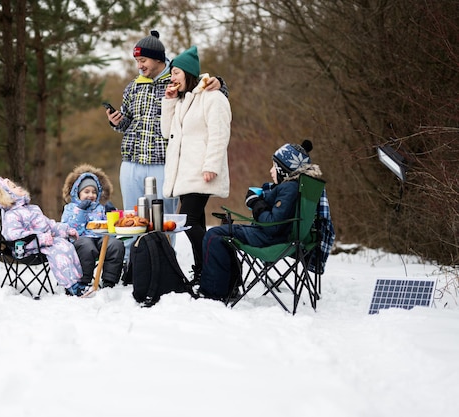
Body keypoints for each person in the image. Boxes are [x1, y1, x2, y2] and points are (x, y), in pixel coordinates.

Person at [105, 30, 228, 218]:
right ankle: (133, 249)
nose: (139, 65)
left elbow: (202, 89)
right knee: (132, 218)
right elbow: (128, 121)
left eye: (143, 60)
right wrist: (118, 122)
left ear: (157, 59)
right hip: (132, 161)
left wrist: (220, 83)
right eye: (137, 61)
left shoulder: (177, 81)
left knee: (164, 220)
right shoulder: (133, 86)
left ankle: (166, 248)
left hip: (162, 162)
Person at [199, 140, 336, 300]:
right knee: (224, 236)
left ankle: (214, 292)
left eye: (274, 166)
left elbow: (272, 224)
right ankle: (229, 286)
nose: (271, 171)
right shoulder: (298, 187)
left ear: (284, 169)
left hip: (270, 239)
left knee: (214, 236)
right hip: (283, 237)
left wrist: (255, 203)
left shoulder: (288, 189)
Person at [161, 45, 232, 284]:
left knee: (189, 222)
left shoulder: (213, 98)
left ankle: (216, 269)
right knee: (195, 222)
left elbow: (219, 134)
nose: (172, 77)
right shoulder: (183, 101)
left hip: (202, 172)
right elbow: (166, 132)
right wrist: (169, 102)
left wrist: (212, 164)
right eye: (172, 73)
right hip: (185, 174)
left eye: (176, 73)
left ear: (189, 73)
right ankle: (203, 272)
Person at [0, 176, 87, 296]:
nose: (19, 187)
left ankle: (78, 282)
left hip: (45, 244)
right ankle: (72, 287)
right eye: (14, 187)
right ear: (7, 195)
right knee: (59, 251)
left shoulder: (33, 209)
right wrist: (41, 239)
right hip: (27, 249)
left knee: (67, 246)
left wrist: (66, 230)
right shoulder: (11, 215)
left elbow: (50, 225)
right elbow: (14, 236)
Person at [61, 164, 125, 288]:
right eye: (86, 192)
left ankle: (109, 280)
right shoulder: (71, 208)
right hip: (80, 239)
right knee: (87, 247)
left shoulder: (100, 207)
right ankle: (83, 281)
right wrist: (81, 211)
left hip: (101, 238)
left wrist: (112, 213)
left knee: (115, 245)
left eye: (94, 192)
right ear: (77, 193)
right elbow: (70, 229)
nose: (91, 195)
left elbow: (110, 228)